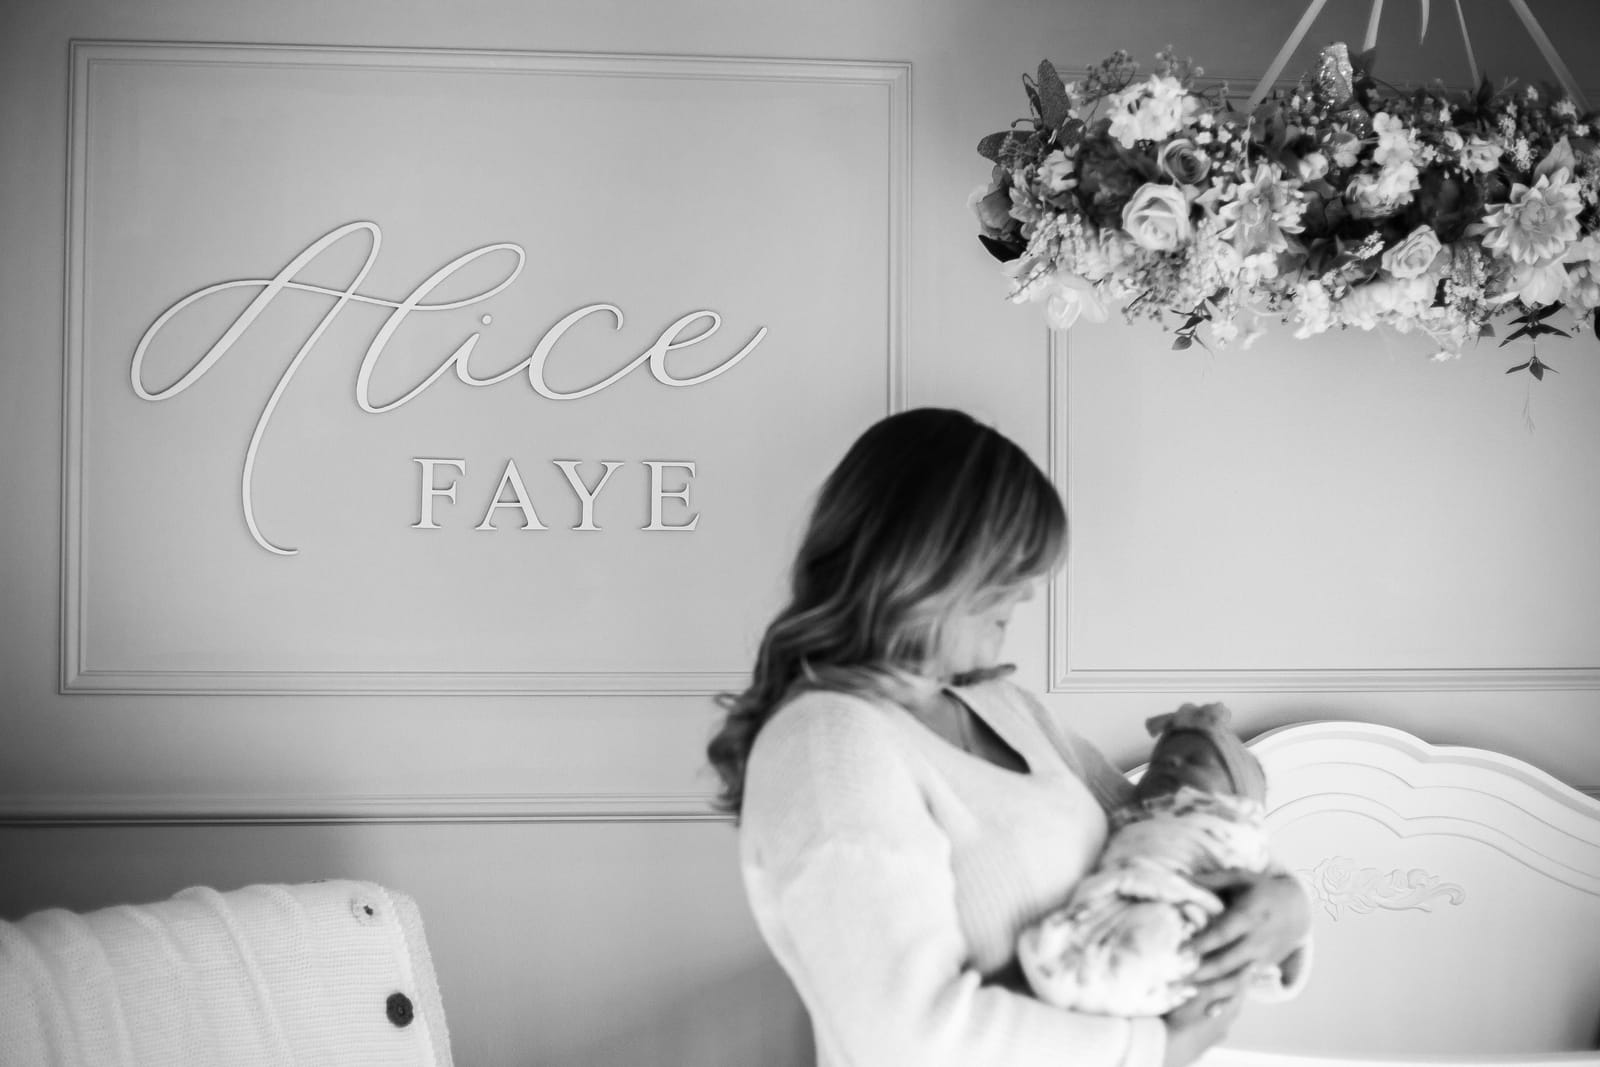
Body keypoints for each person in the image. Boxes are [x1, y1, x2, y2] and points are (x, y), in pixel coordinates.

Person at [706, 407, 1311, 1067]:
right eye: (1008, 572)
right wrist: (1152, 1048)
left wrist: (1284, 905)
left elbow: (1161, 835)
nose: (1027, 592)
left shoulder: (1004, 705)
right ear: (927, 560)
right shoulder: (826, 745)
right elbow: (905, 1038)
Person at [1018, 702, 1311, 1015]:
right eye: (1158, 763)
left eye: (1194, 762)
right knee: (1062, 943)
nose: (1170, 764)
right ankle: (1086, 985)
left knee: (1158, 942)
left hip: (1185, 911)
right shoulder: (1130, 818)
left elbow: (1273, 900)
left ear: (1239, 795)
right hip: (1120, 895)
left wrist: (1292, 914)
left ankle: (1120, 989)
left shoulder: (1240, 829)